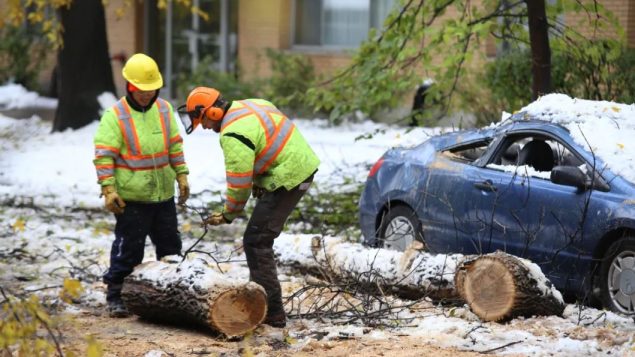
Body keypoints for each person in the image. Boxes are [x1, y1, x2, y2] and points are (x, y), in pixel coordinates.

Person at [179, 87, 320, 328]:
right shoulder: (250, 104)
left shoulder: (233, 133)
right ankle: (261, 302)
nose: (206, 127)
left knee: (256, 240)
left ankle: (273, 313)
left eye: (204, 121)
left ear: (212, 112)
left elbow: (239, 183)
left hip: (290, 175)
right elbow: (267, 142)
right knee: (256, 238)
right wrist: (263, 179)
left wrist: (228, 214)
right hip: (301, 163)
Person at [93, 53, 190, 317]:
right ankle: (116, 294)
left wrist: (181, 174)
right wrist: (109, 189)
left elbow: (174, 145)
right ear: (129, 86)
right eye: (141, 90)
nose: (147, 95)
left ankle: (173, 295)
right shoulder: (115, 116)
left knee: (171, 249)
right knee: (129, 250)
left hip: (162, 196)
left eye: (152, 89)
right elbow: (104, 156)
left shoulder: (165, 109)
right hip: (132, 199)